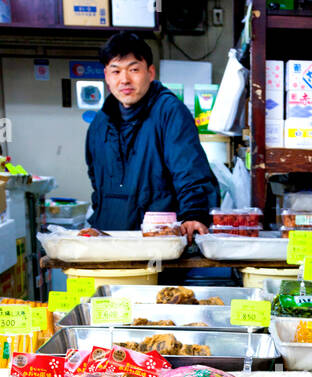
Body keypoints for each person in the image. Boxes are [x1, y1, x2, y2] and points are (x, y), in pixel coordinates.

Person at [83, 31, 218, 239]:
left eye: (134, 69)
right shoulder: (100, 124)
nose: (124, 80)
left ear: (150, 73)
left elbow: (189, 170)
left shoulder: (170, 112)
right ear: (106, 77)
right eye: (116, 71)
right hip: (109, 244)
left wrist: (193, 214)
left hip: (158, 242)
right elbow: (97, 184)